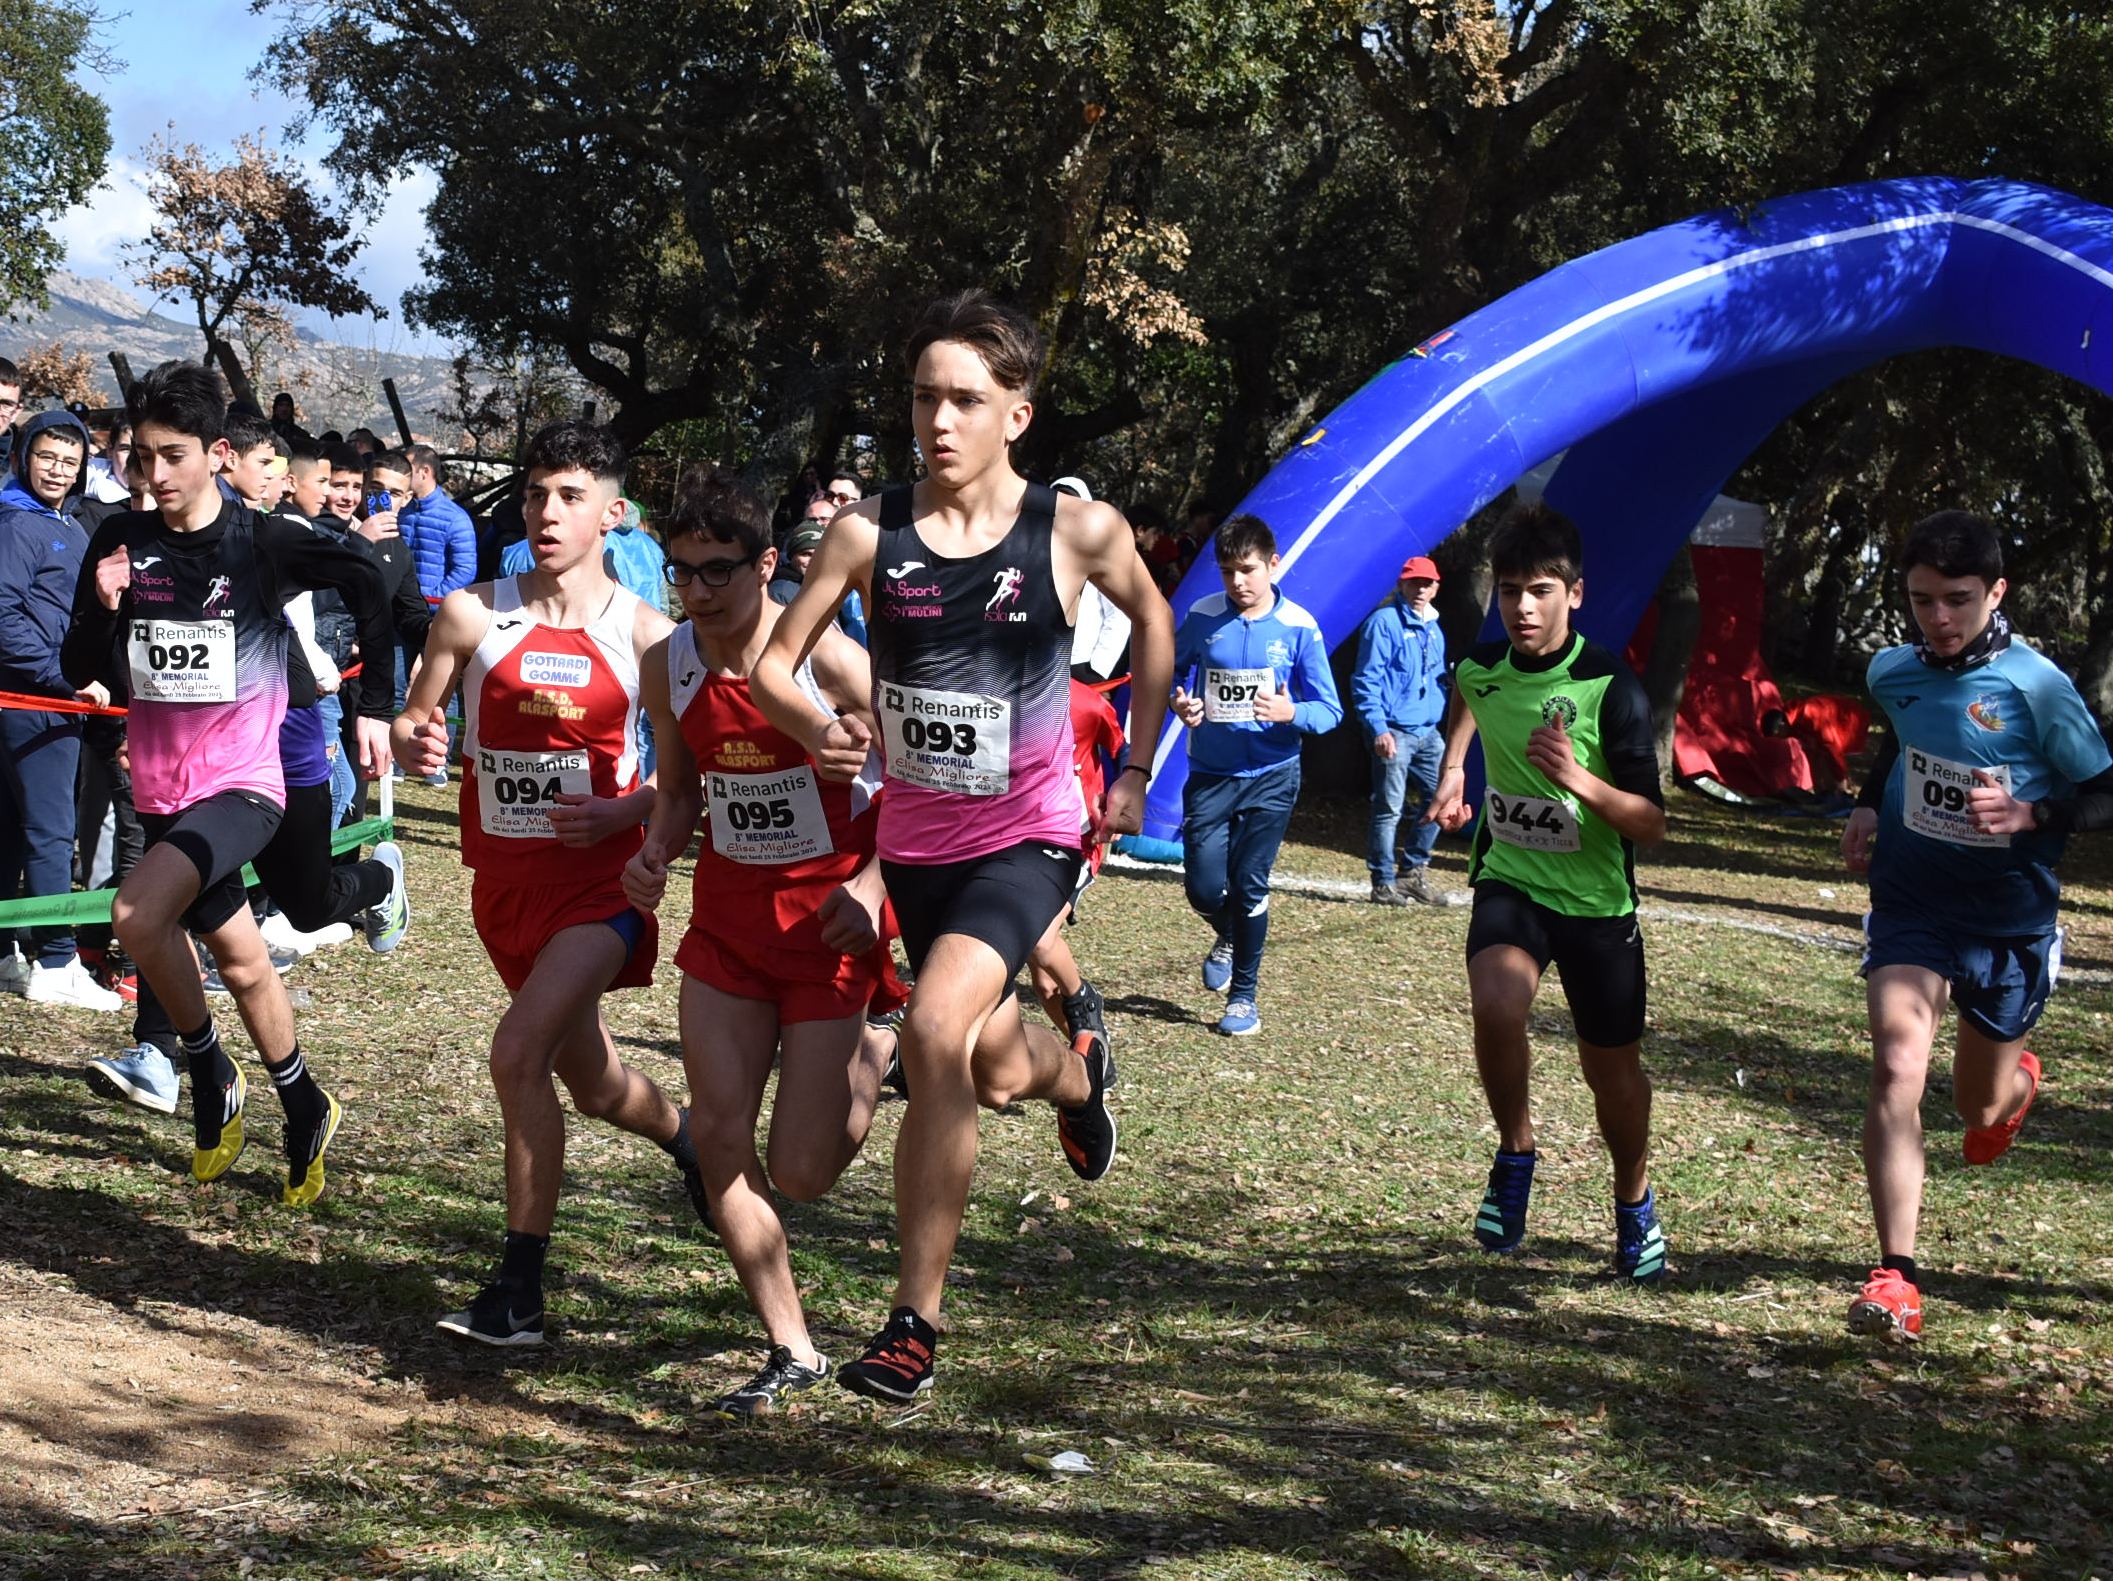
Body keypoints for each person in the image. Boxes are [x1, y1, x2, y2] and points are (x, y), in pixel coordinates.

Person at [752, 288, 1172, 1403]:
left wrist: (1134, 769)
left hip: (1029, 839)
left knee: (933, 1030)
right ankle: (1077, 1078)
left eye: (965, 401)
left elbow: (1155, 621)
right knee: (986, 1062)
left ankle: (913, 1324)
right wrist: (819, 731)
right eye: (922, 398)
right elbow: (772, 666)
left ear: (1016, 416)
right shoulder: (867, 532)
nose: (938, 421)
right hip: (918, 847)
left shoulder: (1074, 532)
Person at [396, 418, 705, 1348]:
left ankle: (519, 1291)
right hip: (503, 889)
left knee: (516, 1052)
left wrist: (623, 817)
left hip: (599, 891)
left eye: (570, 495)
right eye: (535, 493)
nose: (546, 511)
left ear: (613, 513)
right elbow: (415, 719)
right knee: (595, 1081)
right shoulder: (470, 614)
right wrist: (415, 742)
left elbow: (684, 783)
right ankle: (687, 1137)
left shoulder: (650, 636)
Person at [60, 360, 396, 1205]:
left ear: (215, 453)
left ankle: (210, 1074)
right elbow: (78, 664)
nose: (156, 475)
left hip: (245, 783)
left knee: (136, 913)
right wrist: (102, 607)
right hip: (162, 787)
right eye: (143, 457)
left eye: (173, 456)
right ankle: (304, 1101)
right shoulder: (120, 538)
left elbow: (370, 581)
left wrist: (375, 708)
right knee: (244, 964)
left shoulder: (263, 540)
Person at [623, 464, 903, 1416]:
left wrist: (873, 885)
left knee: (801, 1171)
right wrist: (655, 850)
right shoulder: (669, 664)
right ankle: (792, 1347)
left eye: (719, 570)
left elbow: (921, 788)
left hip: (828, 929)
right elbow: (678, 789)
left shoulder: (830, 660)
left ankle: (880, 1047)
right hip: (728, 931)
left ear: (768, 564)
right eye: (682, 571)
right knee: (718, 1137)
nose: (698, 591)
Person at [1838, 511, 2113, 1342]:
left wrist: (2033, 814)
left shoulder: (2036, 687)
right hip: (1912, 902)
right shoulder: (1891, 670)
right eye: (1921, 599)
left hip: (2007, 920)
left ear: (1995, 591)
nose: (1938, 618)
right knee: (1896, 1063)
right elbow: (1902, 736)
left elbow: (2104, 791)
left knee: (1977, 1105)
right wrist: (1866, 804)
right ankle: (1896, 1275)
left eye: (1956, 600)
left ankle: (2014, 1087)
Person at [1425, 501, 1668, 1282]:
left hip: (1596, 906)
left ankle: (1632, 1198)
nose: (1522, 608)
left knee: (1612, 1076)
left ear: (1574, 593)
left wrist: (1576, 779)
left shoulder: (1608, 686)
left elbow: (1650, 823)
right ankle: (1515, 1151)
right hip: (1512, 879)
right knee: (1496, 1004)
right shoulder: (1482, 667)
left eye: (1539, 591)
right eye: (1509, 591)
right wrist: (1454, 768)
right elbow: (1469, 692)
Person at [1168, 514, 1343, 1036]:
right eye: (1227, 572)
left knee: (1249, 884)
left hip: (1272, 774)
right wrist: (1181, 701)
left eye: (1247, 570)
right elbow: (1173, 669)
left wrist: (1292, 713)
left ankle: (1243, 997)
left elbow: (1329, 710)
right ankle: (1229, 932)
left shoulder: (1299, 627)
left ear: (1273, 564)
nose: (1238, 582)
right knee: (1203, 889)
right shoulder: (1203, 616)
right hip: (1211, 774)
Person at [0, 407, 123, 1007]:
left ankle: (4, 952)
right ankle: (55, 960)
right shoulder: (16, 525)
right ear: (23, 457)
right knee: (51, 831)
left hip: (48, 697)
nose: (57, 469)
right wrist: (62, 678)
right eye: (46, 456)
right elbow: (4, 616)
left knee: (11, 826)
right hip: (34, 699)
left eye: (70, 461)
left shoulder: (68, 523)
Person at [1352, 554, 1449, 905]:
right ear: (1401, 585)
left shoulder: (1434, 627)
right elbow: (1366, 680)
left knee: (1442, 798)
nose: (1420, 588)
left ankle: (1412, 873)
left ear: (1436, 588)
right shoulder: (1384, 623)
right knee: (1389, 808)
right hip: (1394, 730)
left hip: (1428, 731)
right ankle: (1382, 881)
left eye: (1427, 583)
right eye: (1414, 582)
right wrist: (1379, 728)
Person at [400, 443, 478, 602]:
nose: (402, 476)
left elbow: (465, 570)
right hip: (396, 605)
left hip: (431, 609)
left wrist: (433, 599)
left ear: (425, 472)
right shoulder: (400, 509)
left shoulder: (455, 518)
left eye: (407, 470)